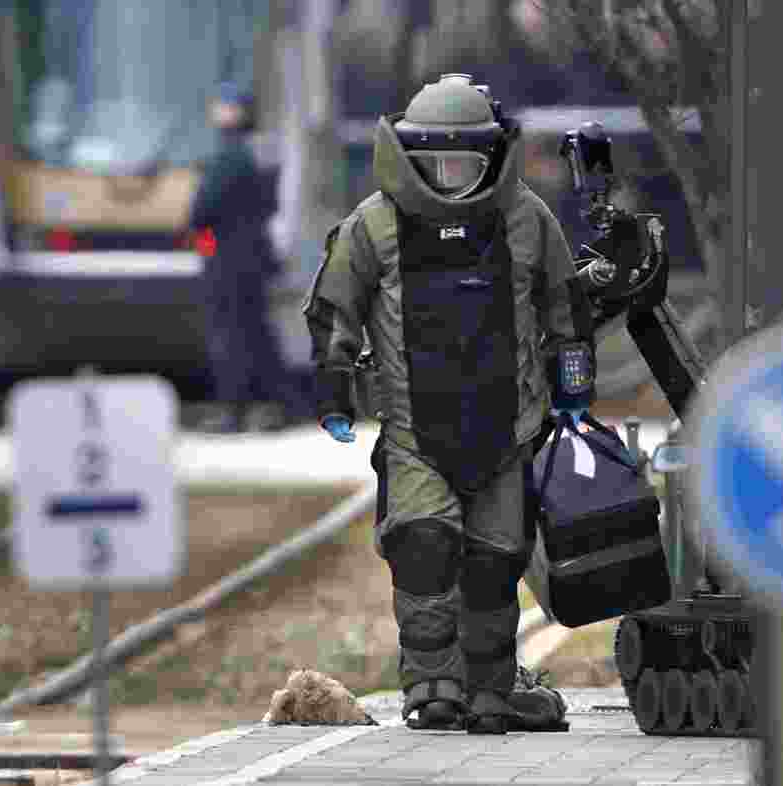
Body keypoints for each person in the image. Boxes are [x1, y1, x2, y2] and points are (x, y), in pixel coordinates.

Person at [302, 74, 593, 733]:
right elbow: (334, 312)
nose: (450, 177)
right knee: (423, 546)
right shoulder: (374, 224)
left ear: (492, 159)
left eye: (464, 163)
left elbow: (564, 307)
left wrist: (573, 387)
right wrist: (335, 389)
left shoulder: (525, 218)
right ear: (409, 160)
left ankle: (490, 687)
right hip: (414, 433)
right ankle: (432, 684)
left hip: (506, 432)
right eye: (434, 164)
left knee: (495, 565)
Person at [191, 83, 297, 432]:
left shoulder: (228, 155)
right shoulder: (263, 151)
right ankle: (285, 405)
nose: (215, 111)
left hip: (226, 258)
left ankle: (233, 412)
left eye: (222, 105)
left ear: (234, 113)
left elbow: (202, 209)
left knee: (229, 336)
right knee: (258, 334)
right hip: (255, 255)